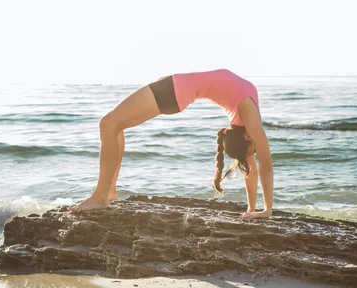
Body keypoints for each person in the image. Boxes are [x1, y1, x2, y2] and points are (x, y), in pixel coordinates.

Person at [69, 69, 273, 219]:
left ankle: (100, 197)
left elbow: (260, 167)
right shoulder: (249, 119)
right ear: (247, 138)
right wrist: (254, 210)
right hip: (174, 89)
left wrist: (265, 211)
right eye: (252, 152)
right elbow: (257, 168)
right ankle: (109, 191)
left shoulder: (249, 118)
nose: (255, 152)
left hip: (175, 90)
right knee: (114, 126)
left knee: (108, 124)